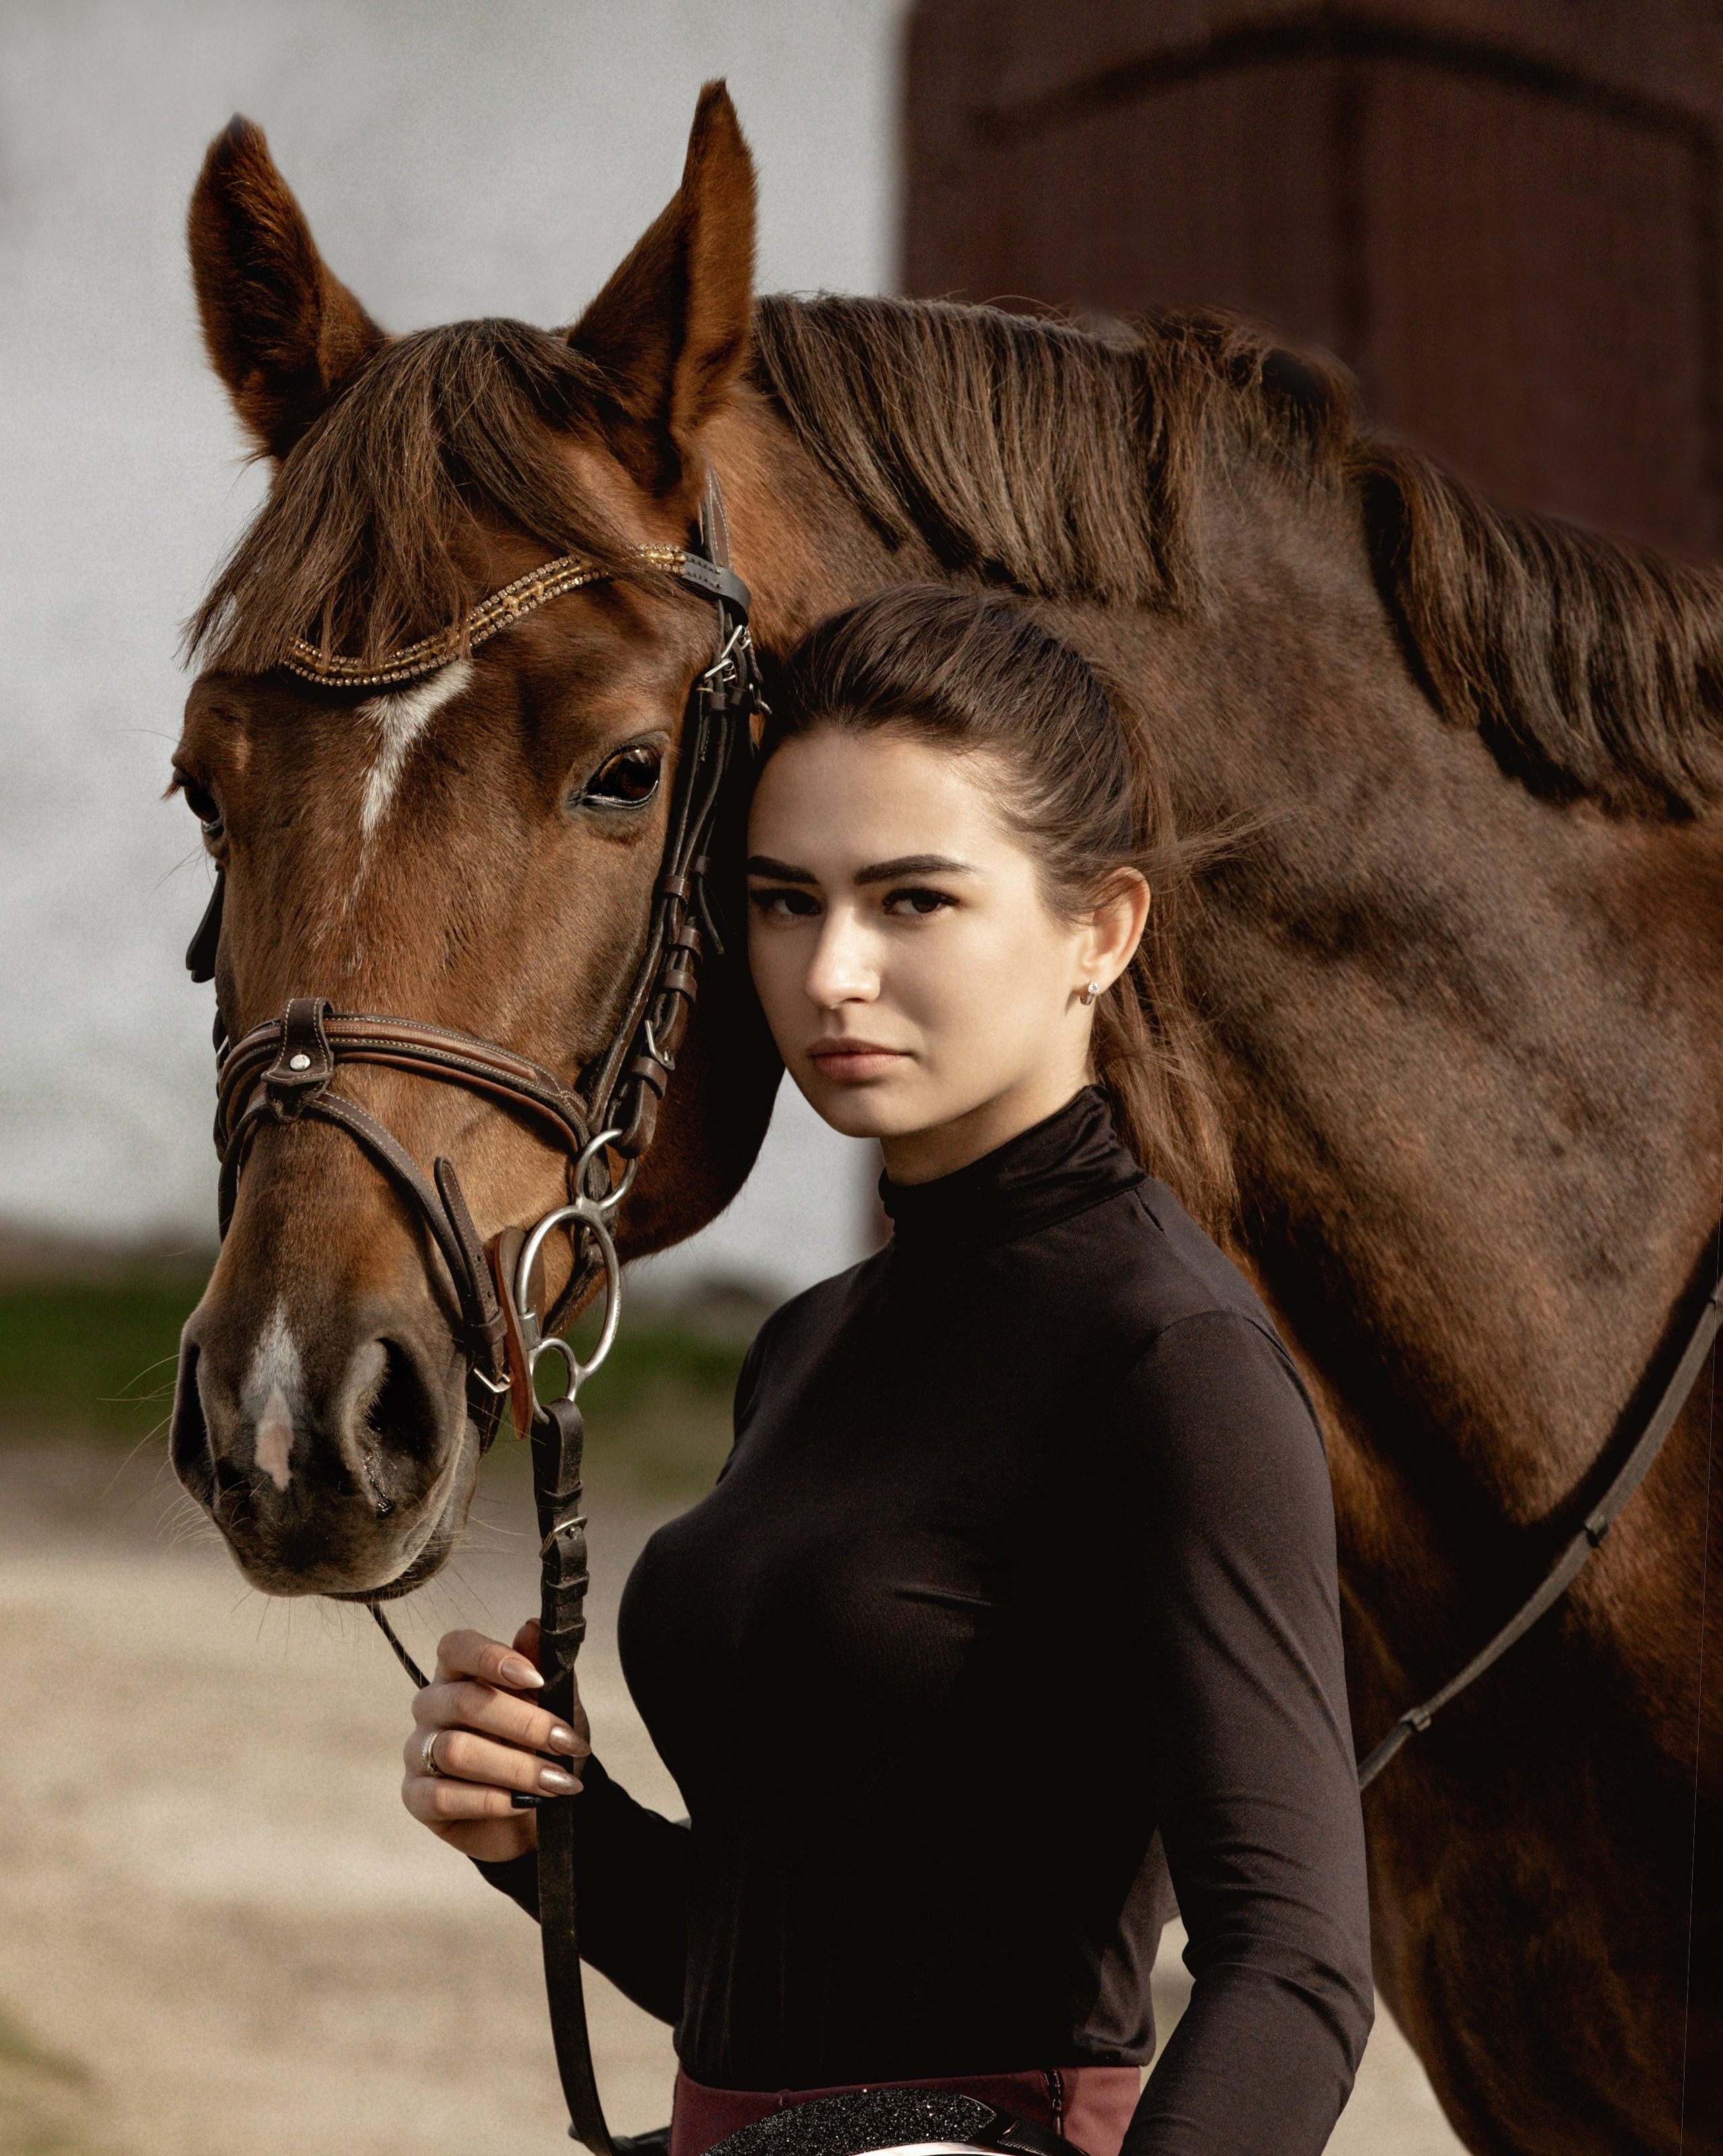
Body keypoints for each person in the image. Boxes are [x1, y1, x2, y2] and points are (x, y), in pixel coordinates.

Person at [399, 588, 1374, 2156]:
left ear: (1100, 931)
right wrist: (543, 1831)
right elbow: (790, 1981)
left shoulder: (1168, 1358)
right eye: (785, 901)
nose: (832, 972)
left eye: (912, 901)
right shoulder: (809, 1340)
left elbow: (1298, 1968)